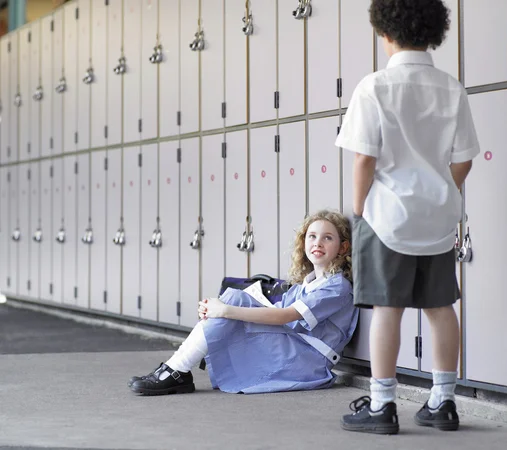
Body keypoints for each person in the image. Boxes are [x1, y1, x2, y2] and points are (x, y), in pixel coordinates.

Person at [336, 0, 480, 435]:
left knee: (388, 309)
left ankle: (382, 405)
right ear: (433, 31)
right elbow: (464, 161)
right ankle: (444, 401)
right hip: (437, 218)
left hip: (387, 218)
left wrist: (359, 208)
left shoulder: (375, 87)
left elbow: (364, 158)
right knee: (441, 306)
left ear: (386, 33)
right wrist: (443, 193)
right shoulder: (451, 88)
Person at [128, 210, 358, 396]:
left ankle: (177, 370)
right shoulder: (305, 285)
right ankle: (178, 368)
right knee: (233, 298)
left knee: (231, 304)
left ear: (343, 247)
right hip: (293, 348)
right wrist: (219, 309)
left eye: (328, 237)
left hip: (308, 361)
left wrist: (226, 311)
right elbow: (276, 313)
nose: (318, 242)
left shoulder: (337, 287)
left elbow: (284, 317)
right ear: (303, 242)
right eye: (312, 236)